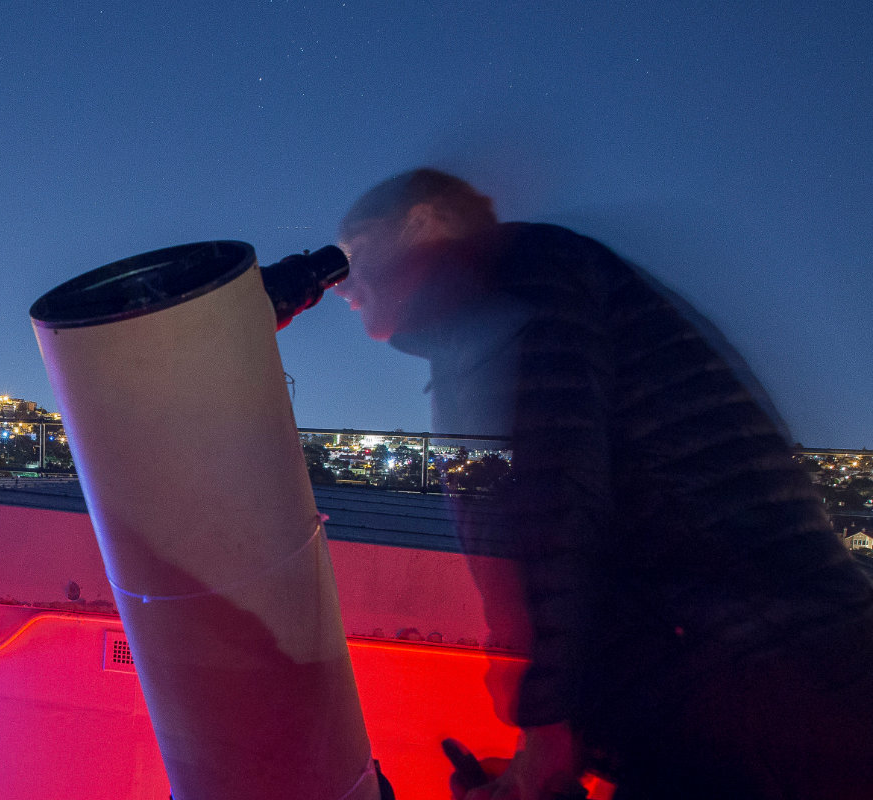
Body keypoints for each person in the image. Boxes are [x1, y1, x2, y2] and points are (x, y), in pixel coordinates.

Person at [333, 168, 873, 800]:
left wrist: (549, 732)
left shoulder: (523, 275)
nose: (340, 283)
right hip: (745, 683)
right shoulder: (508, 303)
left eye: (354, 251)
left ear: (425, 224)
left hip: (758, 689)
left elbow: (557, 498)